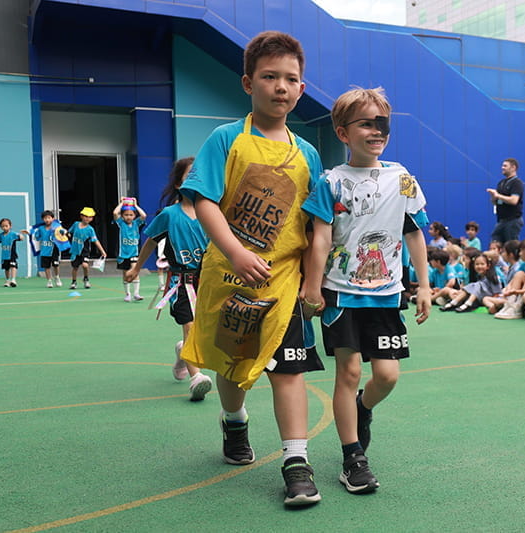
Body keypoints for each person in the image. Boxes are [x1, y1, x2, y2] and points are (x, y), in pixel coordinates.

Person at [177, 31, 326, 507]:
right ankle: (234, 422)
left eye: (291, 79)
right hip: (230, 279)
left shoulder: (308, 154)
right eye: (269, 76)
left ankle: (296, 462)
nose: (281, 86)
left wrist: (314, 281)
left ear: (301, 88)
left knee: (289, 370)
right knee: (233, 365)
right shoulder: (226, 139)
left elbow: (316, 224)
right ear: (248, 83)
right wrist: (237, 252)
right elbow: (204, 200)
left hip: (284, 283)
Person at [302, 86, 430, 495]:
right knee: (350, 371)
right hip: (340, 294)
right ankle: (353, 458)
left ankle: (362, 407)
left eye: (382, 124)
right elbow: (320, 239)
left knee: (387, 376)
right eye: (366, 124)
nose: (377, 131)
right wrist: (312, 288)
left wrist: (424, 285)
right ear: (343, 133)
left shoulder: (402, 179)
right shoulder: (330, 182)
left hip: (388, 294)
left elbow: (415, 233)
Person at [124, 157, 213, 400]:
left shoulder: (212, 213)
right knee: (189, 325)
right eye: (189, 176)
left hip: (207, 281)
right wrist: (136, 268)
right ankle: (196, 377)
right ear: (178, 184)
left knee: (204, 330)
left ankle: (182, 352)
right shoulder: (169, 215)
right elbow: (151, 241)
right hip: (181, 282)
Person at [113, 197, 147, 302]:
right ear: (122, 216)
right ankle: (127, 294)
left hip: (134, 253)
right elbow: (115, 213)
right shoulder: (121, 223)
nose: (128, 217)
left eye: (131, 215)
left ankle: (136, 293)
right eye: (126, 215)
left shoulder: (136, 223)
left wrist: (135, 205)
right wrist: (121, 203)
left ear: (134, 216)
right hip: (123, 254)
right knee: (126, 274)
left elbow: (144, 216)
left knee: (134, 271)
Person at [487, 158, 524, 243]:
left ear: (513, 167)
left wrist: (498, 195)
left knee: (510, 245)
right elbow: (496, 202)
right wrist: (493, 197)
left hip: (512, 220)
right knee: (495, 241)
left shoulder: (516, 183)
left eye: (505, 166)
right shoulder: (501, 183)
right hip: (501, 220)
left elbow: (514, 200)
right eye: (502, 166)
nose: (502, 168)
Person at [0, 218, 27, 287]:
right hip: (4, 255)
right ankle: (7, 280)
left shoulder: (13, 234)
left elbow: (21, 238)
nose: (4, 228)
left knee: (13, 266)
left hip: (12, 254)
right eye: (2, 226)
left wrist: (21, 235)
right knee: (6, 268)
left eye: (6, 226)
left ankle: (13, 280)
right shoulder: (0, 235)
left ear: (10, 226)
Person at [32, 211, 63, 288]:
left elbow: (62, 234)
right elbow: (37, 237)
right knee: (47, 266)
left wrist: (63, 232)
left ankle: (57, 277)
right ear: (43, 219)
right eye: (45, 218)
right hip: (44, 251)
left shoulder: (56, 227)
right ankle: (49, 280)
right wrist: (32, 233)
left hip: (54, 250)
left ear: (53, 218)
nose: (47, 219)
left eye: (49, 218)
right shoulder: (41, 228)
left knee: (56, 265)